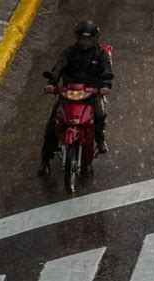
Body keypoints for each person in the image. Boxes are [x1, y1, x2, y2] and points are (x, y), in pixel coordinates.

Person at [38, 20, 113, 176]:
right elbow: (58, 67)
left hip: (90, 95)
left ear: (94, 39)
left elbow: (107, 71)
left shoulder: (101, 55)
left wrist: (105, 86)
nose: (84, 42)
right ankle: (45, 161)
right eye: (82, 39)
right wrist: (52, 83)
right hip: (68, 94)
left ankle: (99, 141)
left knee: (99, 116)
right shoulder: (69, 53)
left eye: (88, 39)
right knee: (52, 124)